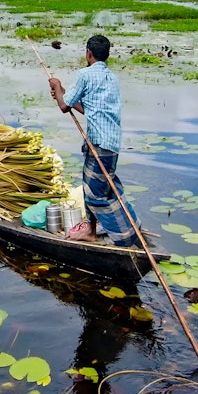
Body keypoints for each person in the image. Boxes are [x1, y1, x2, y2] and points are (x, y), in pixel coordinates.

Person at [48, 35, 141, 248]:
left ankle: (124, 236)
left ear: (88, 53)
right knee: (95, 187)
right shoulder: (112, 78)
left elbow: (64, 107)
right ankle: (91, 230)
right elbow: (90, 109)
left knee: (96, 195)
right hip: (111, 144)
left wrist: (58, 85)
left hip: (99, 143)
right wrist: (63, 94)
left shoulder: (85, 74)